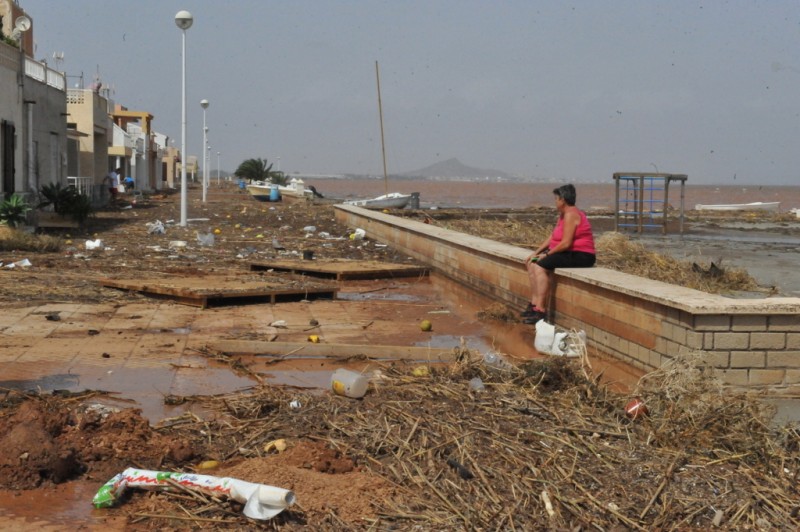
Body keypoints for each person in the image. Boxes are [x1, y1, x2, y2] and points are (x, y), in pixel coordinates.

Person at [522, 184, 596, 324]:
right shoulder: (563, 215)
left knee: (539, 266)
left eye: (556, 199)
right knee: (532, 263)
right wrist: (536, 252)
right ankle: (533, 304)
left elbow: (566, 243)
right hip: (568, 252)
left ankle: (540, 310)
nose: (555, 202)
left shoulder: (571, 215)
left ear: (562, 200)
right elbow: (553, 237)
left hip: (581, 255)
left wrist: (547, 255)